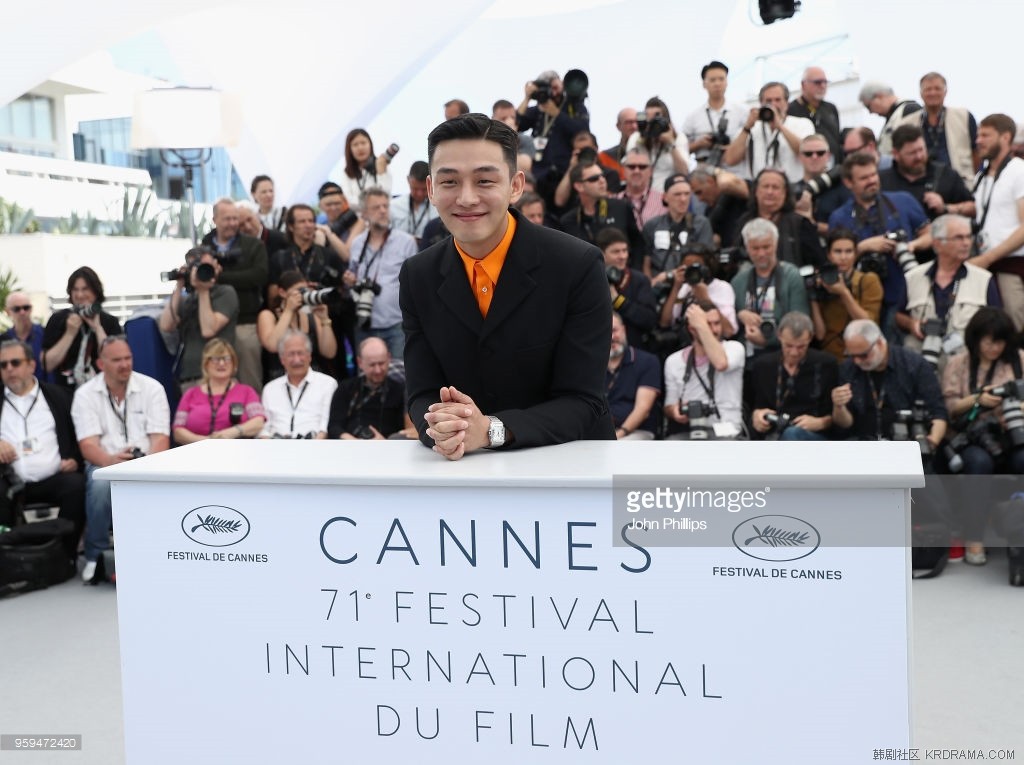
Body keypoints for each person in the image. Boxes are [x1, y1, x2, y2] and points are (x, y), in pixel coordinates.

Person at [400, 113, 615, 460]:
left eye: (485, 181)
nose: (467, 198)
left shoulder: (576, 264)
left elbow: (583, 400)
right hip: (466, 472)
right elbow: (421, 393)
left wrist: (490, 430)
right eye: (450, 182)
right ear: (430, 189)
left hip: (572, 467)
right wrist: (443, 428)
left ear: (515, 185)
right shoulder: (417, 274)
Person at [71, 336, 170, 582]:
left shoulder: (152, 388)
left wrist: (142, 466)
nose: (125, 364)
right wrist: (112, 463)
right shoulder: (85, 395)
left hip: (148, 463)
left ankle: (160, 555)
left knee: (160, 485)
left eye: (128, 358)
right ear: (101, 363)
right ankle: (95, 555)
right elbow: (88, 446)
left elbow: (160, 440)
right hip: (105, 464)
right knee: (101, 485)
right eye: (116, 360)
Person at [941, 307, 1024, 565]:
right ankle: (974, 535)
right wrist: (978, 398)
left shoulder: (1019, 360)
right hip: (973, 437)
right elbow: (949, 408)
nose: (994, 348)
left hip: (1012, 431)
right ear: (976, 339)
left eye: (1000, 341)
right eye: (989, 341)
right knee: (979, 464)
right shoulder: (959, 363)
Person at [828, 152, 931, 337]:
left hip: (901, 295)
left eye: (873, 175)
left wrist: (911, 246)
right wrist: (863, 247)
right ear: (848, 183)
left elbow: (931, 235)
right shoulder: (840, 217)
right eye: (864, 178)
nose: (871, 181)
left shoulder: (903, 200)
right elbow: (835, 260)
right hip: (862, 298)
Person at [0, 339, 84, 560]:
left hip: (53, 477)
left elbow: (80, 436)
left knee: (76, 485)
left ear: (31, 366)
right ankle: (7, 555)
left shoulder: (59, 396)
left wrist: (74, 459)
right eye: (3, 365)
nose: (9, 369)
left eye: (15, 363)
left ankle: (64, 556)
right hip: (10, 480)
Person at [898, 214, 999, 373]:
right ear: (937, 244)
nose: (966, 243)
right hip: (919, 363)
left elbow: (997, 323)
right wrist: (912, 324)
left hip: (966, 366)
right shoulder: (913, 277)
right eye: (959, 238)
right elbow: (898, 316)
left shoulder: (984, 279)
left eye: (968, 237)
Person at [831, 319, 947, 447]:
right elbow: (845, 424)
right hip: (862, 442)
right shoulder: (848, 369)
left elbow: (938, 412)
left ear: (880, 343)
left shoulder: (914, 365)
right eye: (852, 355)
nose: (857, 361)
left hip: (906, 442)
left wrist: (930, 443)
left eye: (863, 355)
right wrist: (839, 406)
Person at [201, 198, 268, 392]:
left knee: (250, 378)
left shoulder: (253, 245)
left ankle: (255, 417)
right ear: (215, 219)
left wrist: (219, 277)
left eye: (234, 218)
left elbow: (259, 275)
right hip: (212, 324)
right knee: (215, 380)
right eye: (226, 219)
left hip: (245, 323)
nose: (232, 223)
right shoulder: (205, 246)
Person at [344, 188, 418, 359]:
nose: (383, 211)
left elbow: (416, 285)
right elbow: (352, 279)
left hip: (397, 325)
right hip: (365, 323)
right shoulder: (356, 244)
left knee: (400, 377)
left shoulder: (406, 242)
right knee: (367, 378)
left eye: (385, 206)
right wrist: (350, 281)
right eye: (376, 207)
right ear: (364, 214)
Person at [969, 114, 1024, 330]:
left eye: (985, 135)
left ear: (1005, 137)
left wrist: (988, 257)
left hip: (1012, 265)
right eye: (978, 135)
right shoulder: (981, 176)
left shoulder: (1018, 170)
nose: (978, 140)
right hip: (988, 264)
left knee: (1015, 330)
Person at [158, 247, 239, 391]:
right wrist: (179, 285)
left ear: (217, 265)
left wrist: (203, 290)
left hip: (219, 375)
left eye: (207, 265)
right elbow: (166, 325)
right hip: (190, 375)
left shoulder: (226, 292)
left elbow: (208, 329)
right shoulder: (188, 299)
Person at [663, 301, 745, 439]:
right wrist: (675, 411)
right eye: (708, 324)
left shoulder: (734, 349)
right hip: (690, 431)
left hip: (726, 431)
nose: (714, 330)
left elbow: (720, 363)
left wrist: (701, 325)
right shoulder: (674, 361)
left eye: (717, 323)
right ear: (691, 329)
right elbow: (669, 405)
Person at [750, 312, 837, 441]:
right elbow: (757, 405)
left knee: (792, 434)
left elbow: (837, 415)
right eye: (788, 346)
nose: (794, 353)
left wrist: (821, 422)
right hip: (773, 431)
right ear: (779, 336)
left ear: (810, 338)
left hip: (811, 433)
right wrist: (757, 416)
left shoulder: (826, 364)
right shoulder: (763, 365)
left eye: (801, 347)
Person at [731, 218, 810, 361]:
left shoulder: (791, 275)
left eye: (766, 247)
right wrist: (740, 314)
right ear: (746, 247)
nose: (761, 253)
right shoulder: (739, 281)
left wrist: (767, 340)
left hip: (783, 354)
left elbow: (800, 321)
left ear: (776, 244)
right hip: (747, 355)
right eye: (755, 248)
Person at [42, 266, 122, 393]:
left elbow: (117, 360)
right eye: (75, 290)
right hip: (65, 394)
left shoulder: (109, 321)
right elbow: (47, 365)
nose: (80, 295)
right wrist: (69, 334)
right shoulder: (58, 319)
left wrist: (98, 328)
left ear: (96, 291)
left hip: (102, 392)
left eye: (85, 289)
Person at [172, 339, 265, 444]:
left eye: (227, 359)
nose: (221, 363)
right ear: (206, 364)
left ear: (234, 364)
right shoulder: (191, 394)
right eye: (215, 359)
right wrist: (206, 441)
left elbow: (258, 422)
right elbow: (178, 431)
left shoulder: (247, 392)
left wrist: (231, 433)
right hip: (198, 451)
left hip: (237, 450)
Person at [721, 81, 815, 184]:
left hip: (791, 187)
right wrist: (747, 128)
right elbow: (730, 160)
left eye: (778, 100)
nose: (773, 104)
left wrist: (780, 127)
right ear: (761, 104)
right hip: (757, 188)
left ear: (787, 104)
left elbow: (807, 153)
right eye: (768, 101)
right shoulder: (751, 127)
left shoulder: (802, 124)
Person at [810, 228, 883, 360]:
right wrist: (813, 297)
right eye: (837, 251)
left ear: (855, 254)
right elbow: (820, 334)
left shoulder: (868, 280)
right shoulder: (822, 283)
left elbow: (869, 324)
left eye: (848, 251)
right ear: (829, 254)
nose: (843, 257)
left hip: (862, 354)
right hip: (830, 355)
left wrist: (844, 293)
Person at [895, 72, 978, 187]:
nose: (933, 93)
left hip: (960, 182)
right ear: (921, 93)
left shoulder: (963, 116)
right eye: (928, 89)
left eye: (937, 88)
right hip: (920, 184)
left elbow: (977, 151)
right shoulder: (908, 122)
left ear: (945, 91)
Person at [880, 125, 975, 222]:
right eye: (912, 153)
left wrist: (946, 208)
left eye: (921, 150)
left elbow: (974, 208)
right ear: (896, 154)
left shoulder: (946, 175)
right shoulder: (882, 181)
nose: (919, 156)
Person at [734, 167, 825, 268]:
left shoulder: (800, 224)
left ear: (785, 193)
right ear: (756, 191)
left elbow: (818, 262)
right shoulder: (744, 221)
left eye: (775, 187)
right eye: (765, 186)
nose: (770, 192)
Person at [257, 270, 337, 382]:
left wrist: (324, 319)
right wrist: (289, 310)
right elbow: (272, 345)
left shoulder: (311, 316)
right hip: (279, 377)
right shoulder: (267, 315)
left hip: (313, 376)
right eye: (299, 291)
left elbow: (329, 353)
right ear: (282, 292)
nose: (302, 295)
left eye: (305, 290)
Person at [558, 160, 642, 265]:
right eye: (594, 179)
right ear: (579, 186)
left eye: (602, 175)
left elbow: (638, 244)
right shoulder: (569, 221)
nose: (602, 180)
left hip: (623, 276)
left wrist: (633, 275)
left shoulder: (621, 207)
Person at [516, 69, 590, 186]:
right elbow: (515, 125)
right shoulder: (539, 109)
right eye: (550, 89)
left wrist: (557, 114)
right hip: (539, 172)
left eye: (556, 88)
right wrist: (527, 98)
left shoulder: (573, 106)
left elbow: (583, 132)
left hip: (564, 171)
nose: (554, 93)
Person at [327, 337, 411, 440]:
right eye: (372, 365)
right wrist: (354, 442)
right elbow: (334, 426)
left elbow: (406, 431)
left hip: (387, 448)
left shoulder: (400, 390)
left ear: (389, 358)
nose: (378, 370)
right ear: (360, 362)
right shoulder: (346, 388)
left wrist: (385, 442)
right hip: (349, 446)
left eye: (381, 363)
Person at [259, 330, 337, 439]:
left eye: (300, 353)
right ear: (282, 359)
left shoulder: (327, 384)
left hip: (314, 447)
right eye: (291, 354)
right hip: (276, 448)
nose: (296, 359)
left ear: (309, 356)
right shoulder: (270, 388)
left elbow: (325, 426)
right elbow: (265, 428)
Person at [642, 173, 714, 292]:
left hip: (690, 286)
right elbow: (646, 262)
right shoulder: (652, 225)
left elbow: (705, 261)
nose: (683, 199)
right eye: (677, 194)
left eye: (687, 194)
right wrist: (649, 285)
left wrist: (668, 275)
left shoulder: (701, 224)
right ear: (665, 197)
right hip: (658, 287)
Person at [658, 243, 737, 340]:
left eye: (696, 267)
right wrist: (676, 287)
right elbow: (665, 323)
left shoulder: (722, 287)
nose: (692, 272)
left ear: (708, 266)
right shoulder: (685, 288)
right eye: (687, 268)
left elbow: (728, 331)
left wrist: (705, 299)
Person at [596, 229, 657, 349]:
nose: (622, 256)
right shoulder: (592, 280)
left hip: (634, 350)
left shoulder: (639, 280)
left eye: (624, 251)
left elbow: (649, 320)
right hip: (600, 349)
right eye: (616, 252)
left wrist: (618, 301)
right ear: (602, 254)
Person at [683, 60, 746, 171]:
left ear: (727, 82)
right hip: (704, 171)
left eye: (721, 79)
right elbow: (681, 148)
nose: (717, 84)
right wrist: (699, 144)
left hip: (734, 170)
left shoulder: (741, 112)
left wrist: (732, 147)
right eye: (712, 80)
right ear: (704, 84)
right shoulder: (693, 117)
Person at [606, 312, 660, 440]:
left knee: (618, 450)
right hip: (601, 432)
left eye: (615, 330)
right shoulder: (592, 365)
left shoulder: (647, 361)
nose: (612, 337)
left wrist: (618, 435)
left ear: (624, 330)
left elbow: (643, 409)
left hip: (635, 432)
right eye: (606, 332)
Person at [626, 97, 690, 192]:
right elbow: (628, 168)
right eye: (648, 117)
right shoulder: (636, 138)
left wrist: (670, 144)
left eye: (656, 117)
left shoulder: (678, 138)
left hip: (667, 195)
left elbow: (684, 172)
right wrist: (642, 140)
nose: (652, 122)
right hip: (643, 195)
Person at [793, 134, 849, 236]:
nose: (814, 157)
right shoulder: (791, 191)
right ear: (800, 157)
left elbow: (850, 228)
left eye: (820, 153)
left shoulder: (843, 188)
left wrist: (812, 225)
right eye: (808, 154)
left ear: (828, 156)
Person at [787, 67, 841, 159]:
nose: (823, 86)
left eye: (825, 82)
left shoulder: (830, 108)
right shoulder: (791, 109)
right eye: (818, 82)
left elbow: (837, 137)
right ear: (804, 85)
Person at [688, 166, 749, 249]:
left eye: (699, 192)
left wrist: (716, 171)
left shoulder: (737, 194)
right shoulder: (709, 211)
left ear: (710, 181)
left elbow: (725, 183)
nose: (700, 199)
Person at [858, 81, 922, 155]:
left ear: (879, 96)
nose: (870, 112)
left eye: (868, 106)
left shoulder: (909, 110)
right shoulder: (895, 116)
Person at [614, 148, 665, 230]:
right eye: (631, 167)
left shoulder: (663, 202)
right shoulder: (613, 201)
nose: (636, 171)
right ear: (623, 170)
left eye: (642, 167)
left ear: (651, 171)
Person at [338, 128, 394, 202]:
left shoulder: (381, 165)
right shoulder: (346, 173)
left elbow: (386, 195)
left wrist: (380, 172)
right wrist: (369, 202)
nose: (360, 148)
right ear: (349, 149)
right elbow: (349, 201)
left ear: (370, 145)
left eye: (363, 143)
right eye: (355, 145)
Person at [390, 161, 439, 243]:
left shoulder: (439, 207)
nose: (419, 194)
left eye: (424, 189)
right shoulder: (393, 206)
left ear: (430, 183)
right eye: (415, 189)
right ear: (408, 180)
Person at [2, 291, 45, 380]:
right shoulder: (3, 341)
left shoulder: (45, 334)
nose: (22, 312)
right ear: (8, 311)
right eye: (17, 309)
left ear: (31, 308)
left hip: (44, 390)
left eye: (26, 308)